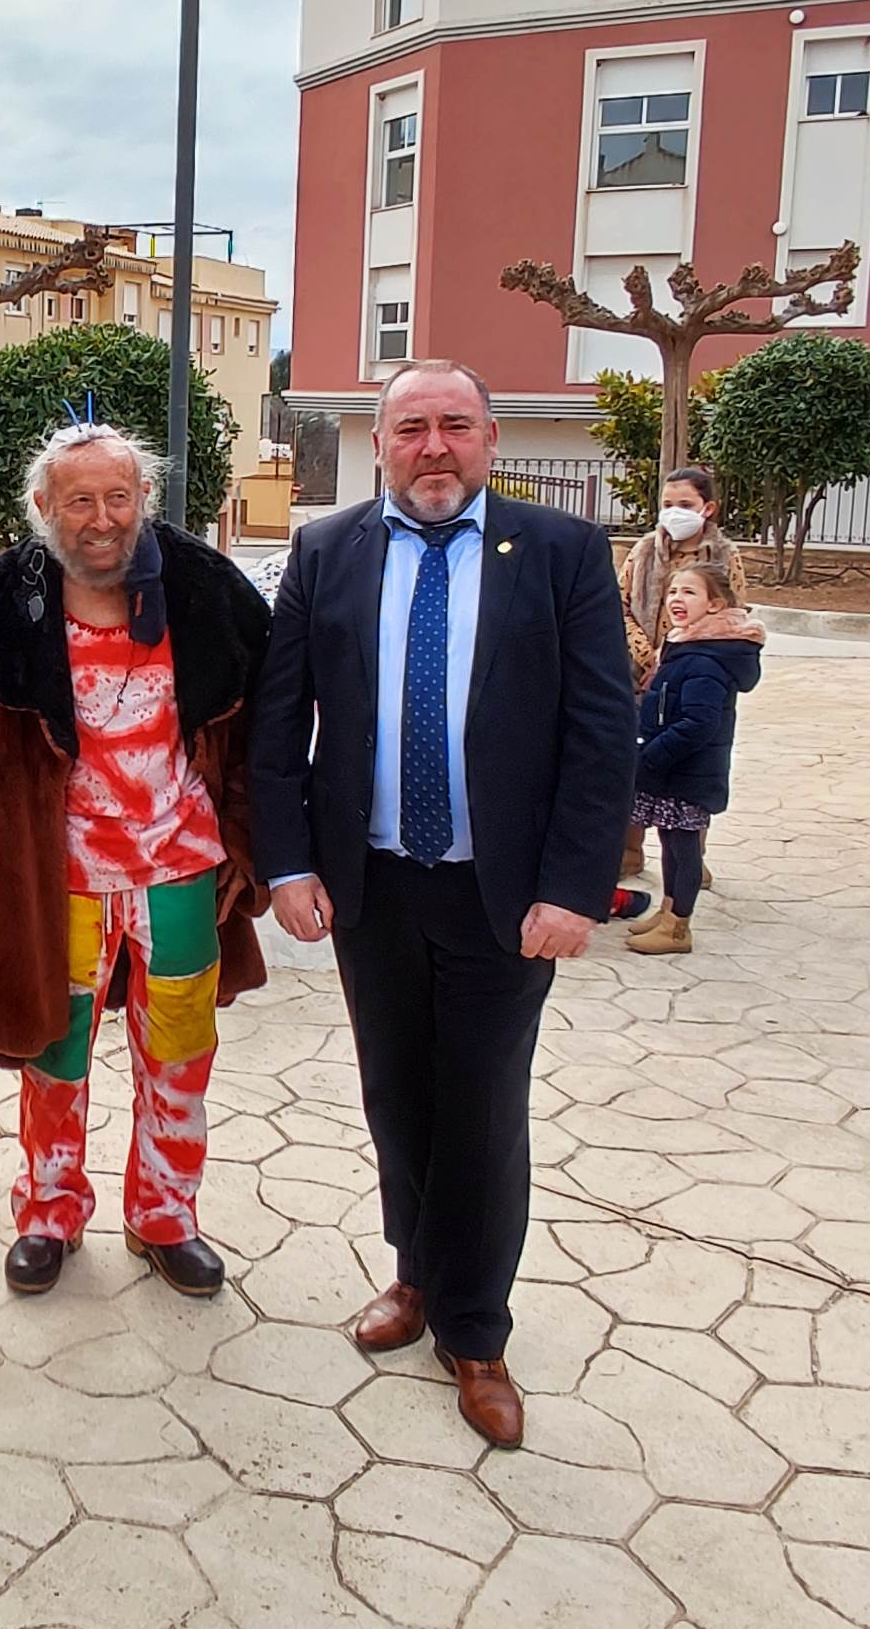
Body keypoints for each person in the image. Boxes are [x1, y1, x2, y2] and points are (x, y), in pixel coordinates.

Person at [250, 361, 636, 1448]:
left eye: (453, 425)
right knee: (394, 1093)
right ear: (378, 443)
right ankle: (414, 1273)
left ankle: (475, 1327)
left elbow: (601, 732)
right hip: (369, 884)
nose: (432, 446)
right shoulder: (327, 551)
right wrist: (286, 864)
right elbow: (280, 724)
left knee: (479, 1106)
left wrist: (573, 885)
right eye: (410, 427)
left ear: (490, 437)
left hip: (500, 897)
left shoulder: (559, 551)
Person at [0, 423, 271, 1297]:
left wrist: (246, 842)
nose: (100, 517)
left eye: (117, 497)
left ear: (143, 501)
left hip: (179, 874)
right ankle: (49, 1211)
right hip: (59, 883)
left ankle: (165, 1215)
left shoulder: (204, 597)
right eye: (79, 499)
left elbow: (247, 736)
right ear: (44, 507)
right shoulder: (9, 605)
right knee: (57, 1058)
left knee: (178, 1055)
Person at [626, 560, 766, 957]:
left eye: (689, 592)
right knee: (670, 843)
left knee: (684, 847)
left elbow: (697, 724)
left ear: (716, 605)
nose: (676, 599)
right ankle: (668, 909)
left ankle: (677, 928)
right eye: (672, 592)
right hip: (671, 770)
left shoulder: (708, 659)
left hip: (688, 773)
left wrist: (650, 756)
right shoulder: (686, 646)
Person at [617, 466, 733, 882]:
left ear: (708, 508)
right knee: (636, 762)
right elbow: (623, 605)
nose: (673, 513)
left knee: (689, 769)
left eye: (684, 505)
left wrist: (674, 662)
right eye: (667, 505)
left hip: (695, 674)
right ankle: (629, 851)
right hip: (639, 676)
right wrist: (648, 658)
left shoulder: (722, 556)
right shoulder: (644, 551)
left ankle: (688, 858)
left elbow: (731, 613)